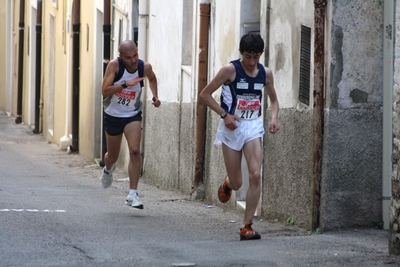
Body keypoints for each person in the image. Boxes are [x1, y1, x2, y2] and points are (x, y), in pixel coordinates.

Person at [199, 33, 279, 240]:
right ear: (240, 53)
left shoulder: (266, 73)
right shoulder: (230, 70)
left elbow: (274, 100)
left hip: (252, 126)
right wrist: (224, 114)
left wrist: (274, 119)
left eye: (256, 57)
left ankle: (247, 226)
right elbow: (204, 95)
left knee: (255, 175)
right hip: (232, 127)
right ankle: (227, 183)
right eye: (247, 56)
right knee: (237, 183)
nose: (252, 62)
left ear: (261, 54)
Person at [101, 40, 161, 209]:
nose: (133, 60)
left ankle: (132, 194)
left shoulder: (144, 67)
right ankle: (107, 168)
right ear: (121, 57)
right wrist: (125, 84)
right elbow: (104, 91)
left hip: (132, 115)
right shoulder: (114, 66)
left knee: (135, 150)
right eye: (129, 57)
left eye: (135, 55)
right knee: (112, 157)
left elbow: (152, 78)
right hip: (113, 115)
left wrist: (155, 95)